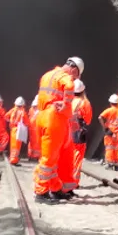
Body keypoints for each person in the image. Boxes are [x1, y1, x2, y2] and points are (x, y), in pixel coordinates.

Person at [33, 57, 83, 203]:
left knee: (53, 157)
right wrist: (67, 103)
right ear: (74, 69)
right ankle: (40, 192)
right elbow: (68, 85)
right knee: (49, 159)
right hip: (53, 119)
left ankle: (56, 188)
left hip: (43, 116)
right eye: (76, 76)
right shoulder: (64, 76)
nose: (74, 79)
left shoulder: (47, 75)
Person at [71, 80, 93, 184]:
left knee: (67, 156)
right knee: (77, 156)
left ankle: (64, 180)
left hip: (67, 132)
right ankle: (74, 181)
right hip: (78, 133)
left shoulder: (68, 100)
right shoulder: (85, 103)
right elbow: (88, 120)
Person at [6, 96, 29, 165]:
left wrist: (10, 122)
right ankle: (14, 160)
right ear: (22, 105)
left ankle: (11, 158)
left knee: (12, 145)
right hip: (19, 130)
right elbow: (27, 122)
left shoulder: (12, 110)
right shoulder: (23, 112)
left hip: (12, 129)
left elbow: (5, 116)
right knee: (17, 146)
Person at [99, 94, 118, 169]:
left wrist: (104, 126)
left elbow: (100, 117)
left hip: (110, 131)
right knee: (116, 148)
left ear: (110, 103)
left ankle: (110, 163)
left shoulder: (109, 110)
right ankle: (116, 163)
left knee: (109, 147)